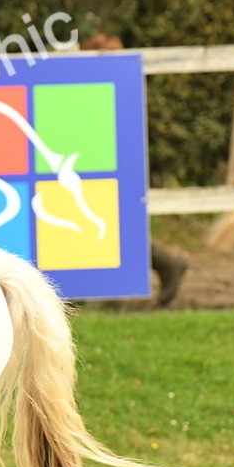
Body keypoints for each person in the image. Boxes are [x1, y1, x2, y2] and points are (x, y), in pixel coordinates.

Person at [78, 34, 188, 305]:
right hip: (96, 164)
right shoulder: (95, 90)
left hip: (112, 167)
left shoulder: (118, 91)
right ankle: (166, 266)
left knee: (114, 224)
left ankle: (119, 290)